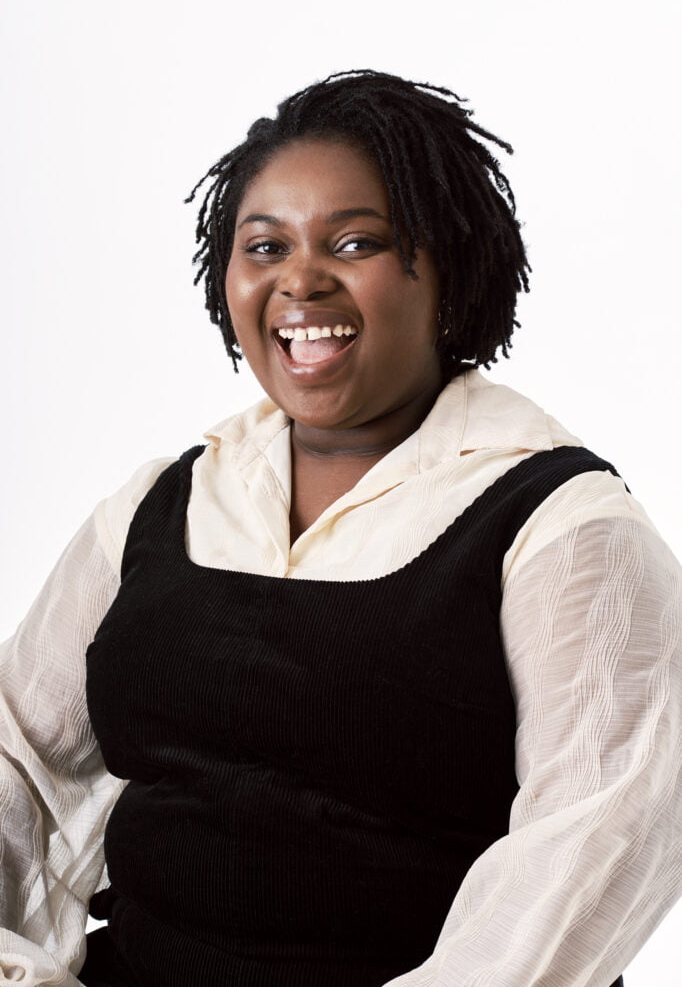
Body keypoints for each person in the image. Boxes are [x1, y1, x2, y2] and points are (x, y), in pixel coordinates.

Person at [0, 70, 679, 987]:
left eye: (356, 242)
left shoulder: (561, 526)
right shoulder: (161, 502)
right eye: (265, 246)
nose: (300, 280)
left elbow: (598, 845)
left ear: (447, 269)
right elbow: (18, 751)